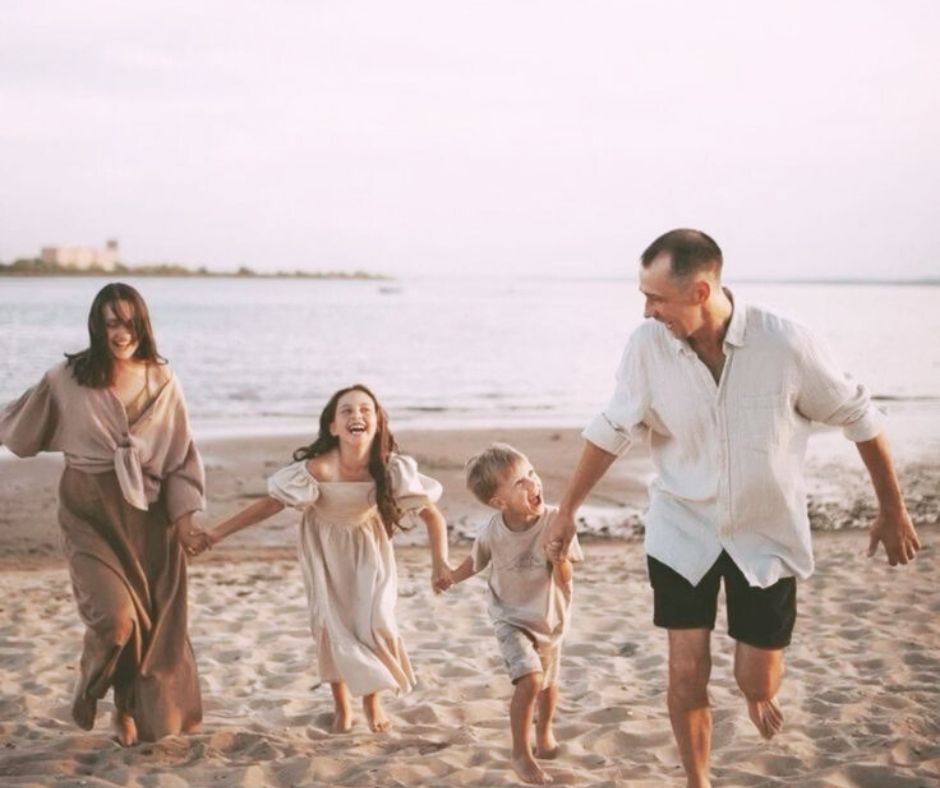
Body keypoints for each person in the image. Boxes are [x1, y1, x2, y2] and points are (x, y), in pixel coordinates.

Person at [545, 229, 921, 788]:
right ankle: (698, 780)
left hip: (765, 533)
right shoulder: (647, 346)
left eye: (656, 298)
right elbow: (612, 429)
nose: (647, 311)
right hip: (681, 528)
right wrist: (567, 510)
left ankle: (756, 693)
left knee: (757, 678)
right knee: (685, 670)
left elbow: (859, 416)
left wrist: (892, 509)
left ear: (700, 291)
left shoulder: (786, 345)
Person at [0, 283, 207, 746]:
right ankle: (91, 682)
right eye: (113, 323)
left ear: (143, 325)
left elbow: (179, 456)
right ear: (97, 325)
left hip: (150, 517)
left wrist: (185, 519)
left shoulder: (162, 379)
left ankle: (128, 709)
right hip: (89, 512)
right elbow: (20, 426)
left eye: (130, 322)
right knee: (115, 621)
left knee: (155, 628)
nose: (122, 333)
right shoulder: (66, 378)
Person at [196, 384, 452, 734]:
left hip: (369, 546)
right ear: (333, 427)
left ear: (378, 423)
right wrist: (216, 533)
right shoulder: (319, 468)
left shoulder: (391, 468)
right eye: (347, 410)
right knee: (331, 625)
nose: (357, 415)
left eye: (366, 409)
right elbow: (270, 505)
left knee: (376, 620)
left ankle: (372, 700)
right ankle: (341, 706)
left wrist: (440, 563)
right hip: (324, 549)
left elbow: (432, 516)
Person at [442, 443, 582, 786]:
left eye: (532, 473)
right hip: (510, 618)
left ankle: (544, 733)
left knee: (547, 685)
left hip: (550, 618)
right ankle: (521, 752)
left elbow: (566, 578)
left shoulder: (556, 521)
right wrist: (450, 577)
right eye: (520, 482)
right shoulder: (493, 530)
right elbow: (475, 562)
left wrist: (559, 558)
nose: (533, 483)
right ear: (499, 502)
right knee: (530, 680)